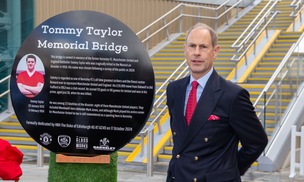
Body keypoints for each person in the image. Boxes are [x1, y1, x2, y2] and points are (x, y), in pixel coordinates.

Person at [166, 23, 268, 182]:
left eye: (204, 47)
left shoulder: (232, 95)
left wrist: (227, 172)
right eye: (192, 46)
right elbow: (181, 141)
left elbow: (257, 142)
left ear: (215, 51)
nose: (196, 53)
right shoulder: (174, 89)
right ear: (185, 50)